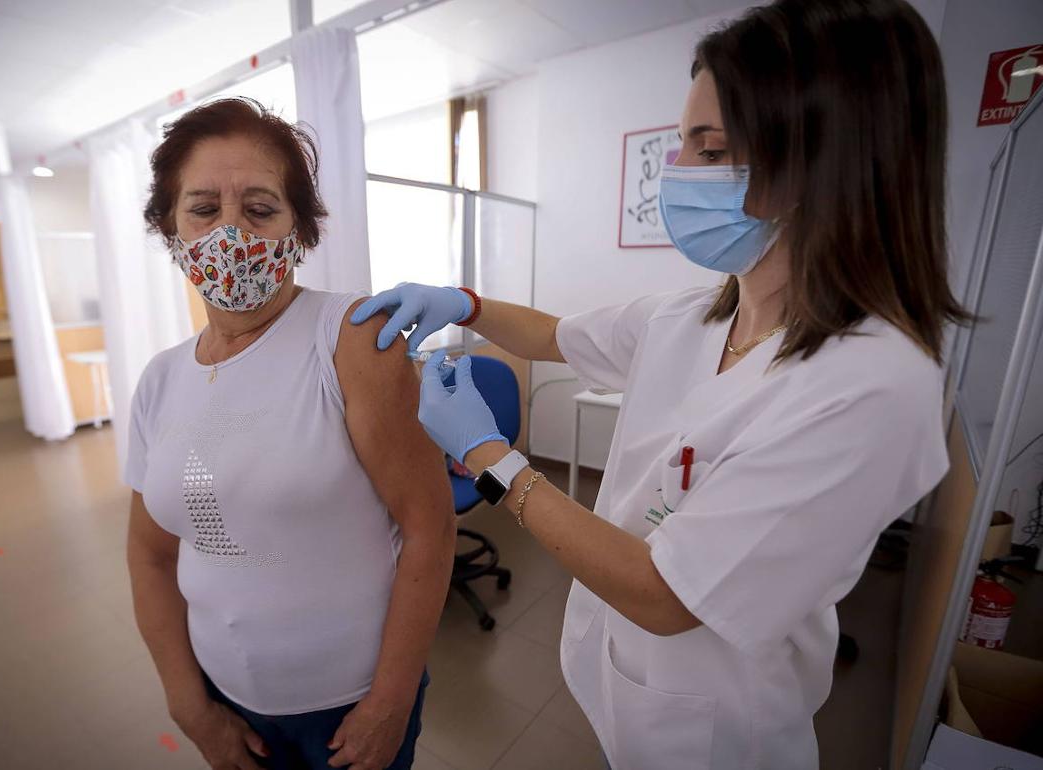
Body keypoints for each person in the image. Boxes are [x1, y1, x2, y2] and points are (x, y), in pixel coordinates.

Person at [351, 1, 965, 767]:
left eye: (709, 150)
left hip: (721, 730)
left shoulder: (874, 386)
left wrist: (489, 457)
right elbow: (553, 335)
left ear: (826, 159)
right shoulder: (698, 315)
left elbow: (665, 596)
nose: (676, 172)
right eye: (683, 144)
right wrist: (463, 302)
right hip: (626, 682)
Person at [125, 98, 455, 770]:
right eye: (203, 208)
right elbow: (150, 554)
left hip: (349, 708)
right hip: (224, 701)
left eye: (259, 207)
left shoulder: (353, 341)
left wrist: (390, 702)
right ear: (170, 227)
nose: (230, 232)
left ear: (299, 228)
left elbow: (429, 527)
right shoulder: (160, 380)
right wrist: (186, 702)